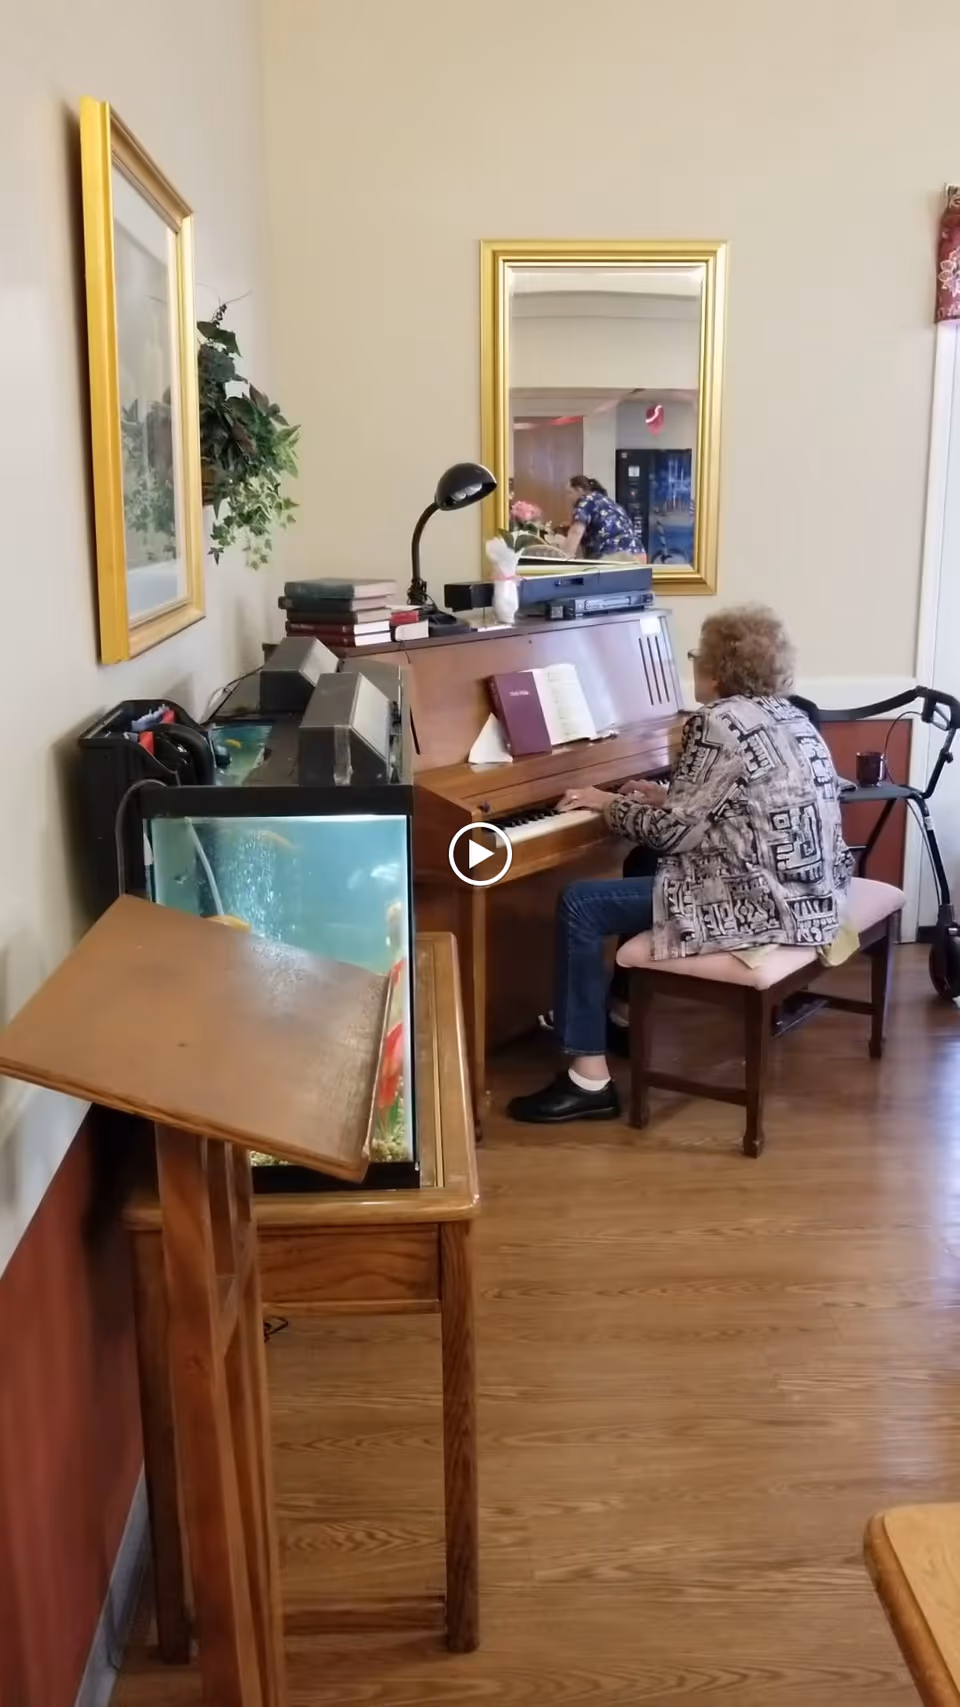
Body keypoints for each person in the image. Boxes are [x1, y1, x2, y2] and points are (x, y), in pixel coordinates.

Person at [508, 605, 854, 1124]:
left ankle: (588, 1078)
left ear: (716, 668)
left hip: (761, 904)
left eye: (697, 655)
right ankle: (622, 1014)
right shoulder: (789, 714)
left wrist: (607, 803)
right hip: (811, 892)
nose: (692, 664)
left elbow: (676, 832)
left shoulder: (715, 722)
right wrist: (659, 796)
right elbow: (727, 807)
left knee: (580, 904)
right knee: (644, 859)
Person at [565, 475, 645, 560]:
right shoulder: (608, 502)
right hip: (639, 554)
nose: (568, 498)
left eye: (569, 492)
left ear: (579, 490)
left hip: (617, 555)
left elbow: (576, 532)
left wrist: (564, 559)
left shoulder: (586, 501)